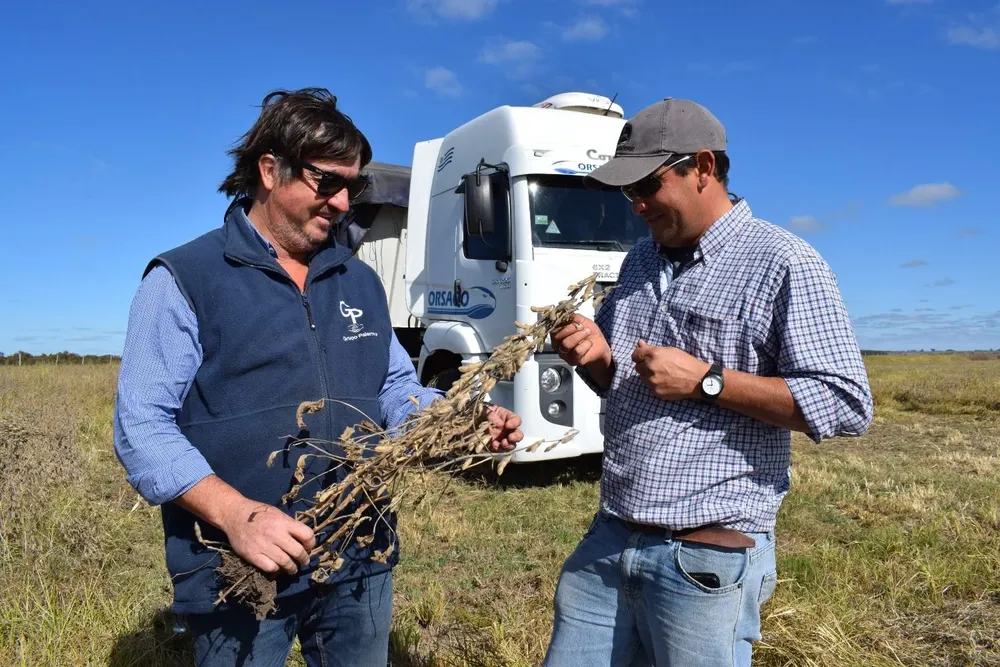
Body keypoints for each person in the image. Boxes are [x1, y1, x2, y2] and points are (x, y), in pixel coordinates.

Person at [113, 88, 522, 667]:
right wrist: (239, 516)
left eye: (351, 188)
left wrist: (457, 424)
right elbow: (141, 426)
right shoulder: (184, 278)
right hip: (244, 563)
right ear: (269, 169)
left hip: (359, 550)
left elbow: (391, 390)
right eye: (326, 182)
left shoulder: (357, 280)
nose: (341, 204)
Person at [542, 98, 873, 666]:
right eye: (628, 192)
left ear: (702, 167)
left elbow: (845, 403)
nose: (637, 205)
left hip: (704, 552)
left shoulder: (784, 262)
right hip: (613, 532)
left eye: (647, 185)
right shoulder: (639, 262)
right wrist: (595, 357)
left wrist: (707, 382)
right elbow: (627, 386)